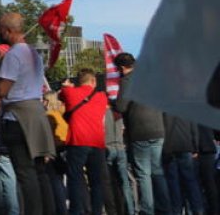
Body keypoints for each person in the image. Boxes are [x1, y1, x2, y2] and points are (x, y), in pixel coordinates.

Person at [0, 12, 57, 215]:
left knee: (25, 172)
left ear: (8, 31)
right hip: (37, 114)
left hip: (17, 117)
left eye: (1, 31)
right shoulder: (34, 54)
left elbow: (3, 90)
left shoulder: (13, 55)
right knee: (40, 172)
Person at [113, 52, 170, 215]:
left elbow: (122, 107)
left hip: (140, 131)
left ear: (122, 68)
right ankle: (165, 208)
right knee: (157, 171)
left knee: (143, 174)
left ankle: (147, 210)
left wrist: (113, 104)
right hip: (158, 129)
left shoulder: (127, 81)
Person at [59, 70, 109, 215]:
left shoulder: (69, 92)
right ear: (93, 81)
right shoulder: (101, 97)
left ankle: (77, 210)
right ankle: (97, 211)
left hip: (77, 141)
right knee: (96, 182)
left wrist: (66, 86)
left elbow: (61, 96)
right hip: (97, 142)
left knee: (74, 178)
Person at [161, 113, 205, 215]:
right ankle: (198, 210)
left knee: (173, 183)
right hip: (186, 146)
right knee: (191, 181)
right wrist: (195, 147)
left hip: (170, 148)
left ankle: (177, 211)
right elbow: (194, 128)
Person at [104, 109, 134, 215]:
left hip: (108, 147)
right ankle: (130, 210)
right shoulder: (119, 113)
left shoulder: (102, 112)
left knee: (109, 182)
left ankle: (114, 210)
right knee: (125, 182)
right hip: (120, 147)